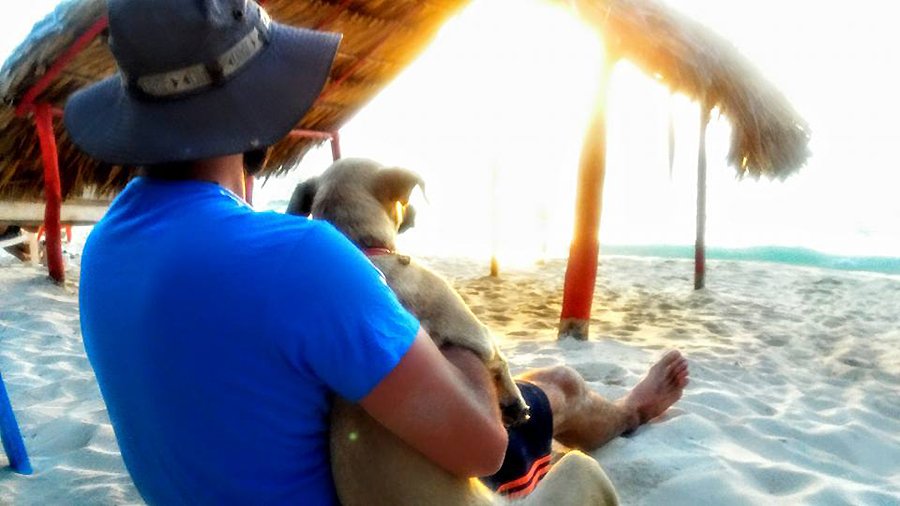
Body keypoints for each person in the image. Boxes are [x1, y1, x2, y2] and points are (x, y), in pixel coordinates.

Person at [67, 1, 688, 504]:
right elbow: (483, 448)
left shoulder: (102, 254)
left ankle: (623, 410)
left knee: (550, 386)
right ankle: (628, 414)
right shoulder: (304, 260)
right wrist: (450, 319)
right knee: (574, 467)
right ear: (259, 107)